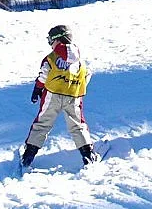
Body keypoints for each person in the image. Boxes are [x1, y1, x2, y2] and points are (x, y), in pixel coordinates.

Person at [20, 24, 100, 168]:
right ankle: (88, 154)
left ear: (57, 40)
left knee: (43, 123)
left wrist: (37, 89)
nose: (51, 45)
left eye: (51, 40)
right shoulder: (81, 61)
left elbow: (43, 75)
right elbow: (87, 75)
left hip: (52, 96)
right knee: (77, 125)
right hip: (73, 97)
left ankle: (28, 156)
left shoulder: (51, 58)